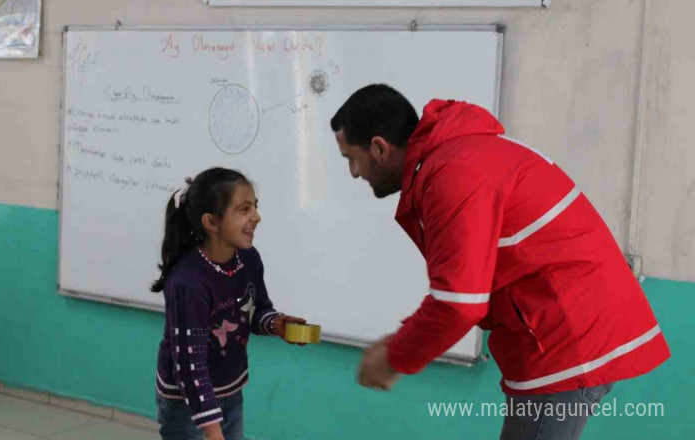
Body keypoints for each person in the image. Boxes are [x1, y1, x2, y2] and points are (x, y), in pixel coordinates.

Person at [331, 84, 670, 439]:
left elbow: (460, 303)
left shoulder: (453, 172)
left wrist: (394, 359)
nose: (354, 172)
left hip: (564, 340)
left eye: (350, 158)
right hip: (554, 333)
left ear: (379, 147)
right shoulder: (458, 158)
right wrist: (403, 340)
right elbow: (465, 285)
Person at [152, 167, 307, 440]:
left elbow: (256, 309)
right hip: (186, 401)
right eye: (244, 209)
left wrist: (276, 323)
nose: (256, 217)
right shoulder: (189, 283)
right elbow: (190, 367)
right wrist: (213, 432)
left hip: (229, 391)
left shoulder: (248, 259)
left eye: (255, 207)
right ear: (211, 222)